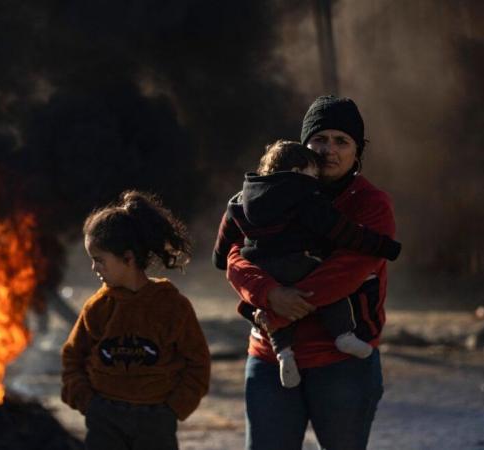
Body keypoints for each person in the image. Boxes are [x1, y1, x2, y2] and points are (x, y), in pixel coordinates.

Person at [226, 95, 395, 450]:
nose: (328, 150)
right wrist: (269, 293)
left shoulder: (370, 205)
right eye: (319, 139)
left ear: (356, 151)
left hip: (342, 364)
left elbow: (344, 273)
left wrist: (275, 311)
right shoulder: (267, 194)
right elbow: (235, 256)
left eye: (341, 141)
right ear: (303, 144)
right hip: (270, 360)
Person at [212, 140, 400, 388]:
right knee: (332, 290)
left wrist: (220, 258)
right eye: (312, 173)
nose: (316, 179)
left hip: (261, 267)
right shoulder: (304, 196)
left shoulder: (240, 199)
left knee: (274, 307)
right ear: (298, 172)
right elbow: (341, 231)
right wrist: (385, 246)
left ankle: (284, 354)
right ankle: (343, 334)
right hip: (296, 263)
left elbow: (224, 247)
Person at [61, 190, 210, 450]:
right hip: (104, 420)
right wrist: (89, 403)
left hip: (155, 422)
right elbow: (73, 357)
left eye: (100, 261)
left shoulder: (171, 306)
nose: (95, 269)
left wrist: (172, 409)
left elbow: (197, 363)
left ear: (128, 258)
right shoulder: (97, 307)